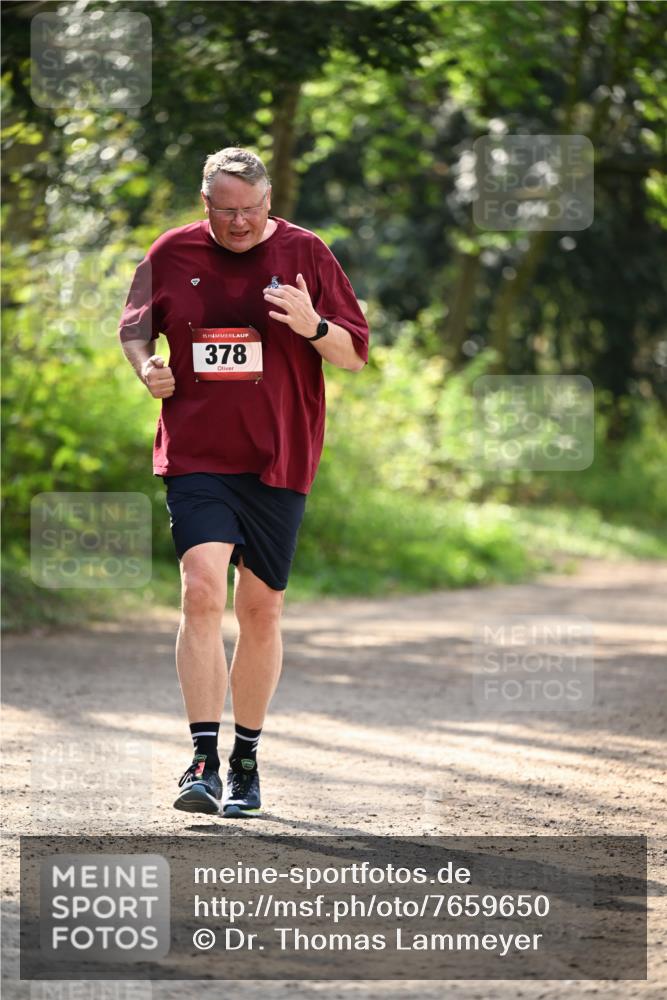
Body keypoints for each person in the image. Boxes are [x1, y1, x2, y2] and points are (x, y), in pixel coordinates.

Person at [118, 147, 369, 818]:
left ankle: (245, 760)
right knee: (201, 590)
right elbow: (134, 330)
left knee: (260, 611)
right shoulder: (169, 253)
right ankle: (201, 757)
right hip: (197, 452)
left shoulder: (307, 252)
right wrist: (148, 370)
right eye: (226, 211)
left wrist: (312, 324)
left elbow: (352, 355)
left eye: (252, 211)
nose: (239, 223)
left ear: (268, 203)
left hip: (278, 457)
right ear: (205, 203)